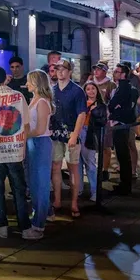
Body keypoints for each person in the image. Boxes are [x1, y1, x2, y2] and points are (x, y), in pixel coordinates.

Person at [0, 66, 34, 239]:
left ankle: (1, 225)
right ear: (5, 79)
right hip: (15, 150)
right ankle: (25, 227)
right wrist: (23, 145)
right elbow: (25, 124)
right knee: (19, 189)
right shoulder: (18, 96)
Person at [51, 59, 87, 217]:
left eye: (63, 69)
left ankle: (74, 203)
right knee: (55, 166)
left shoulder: (77, 90)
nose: (60, 71)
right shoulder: (52, 90)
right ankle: (57, 200)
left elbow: (82, 114)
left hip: (71, 132)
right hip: (55, 133)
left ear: (69, 71)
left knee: (73, 167)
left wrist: (75, 135)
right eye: (57, 68)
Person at [25, 70, 53, 235]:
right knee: (34, 181)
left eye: (29, 81)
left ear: (36, 83)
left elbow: (40, 129)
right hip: (33, 143)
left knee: (40, 183)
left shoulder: (42, 102)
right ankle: (45, 212)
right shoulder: (34, 100)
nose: (26, 84)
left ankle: (39, 224)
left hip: (40, 143)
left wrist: (22, 135)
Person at [108, 64, 139, 195]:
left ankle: (125, 186)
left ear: (123, 74)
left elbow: (112, 105)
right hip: (124, 124)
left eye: (117, 71)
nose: (114, 73)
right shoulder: (130, 88)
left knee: (123, 154)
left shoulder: (123, 88)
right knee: (123, 155)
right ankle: (125, 184)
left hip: (120, 125)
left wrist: (114, 111)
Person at [89, 62, 116, 181]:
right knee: (91, 145)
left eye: (99, 69)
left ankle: (105, 170)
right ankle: (92, 168)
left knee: (105, 146)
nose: (96, 71)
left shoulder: (111, 85)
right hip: (90, 119)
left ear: (104, 71)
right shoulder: (90, 82)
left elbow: (114, 103)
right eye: (95, 69)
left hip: (105, 120)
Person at [81, 82, 107, 202]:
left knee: (90, 163)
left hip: (90, 133)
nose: (91, 91)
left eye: (93, 89)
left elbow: (102, 121)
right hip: (79, 131)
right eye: (88, 89)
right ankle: (79, 189)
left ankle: (95, 191)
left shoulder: (101, 105)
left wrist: (93, 110)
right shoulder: (81, 103)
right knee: (77, 163)